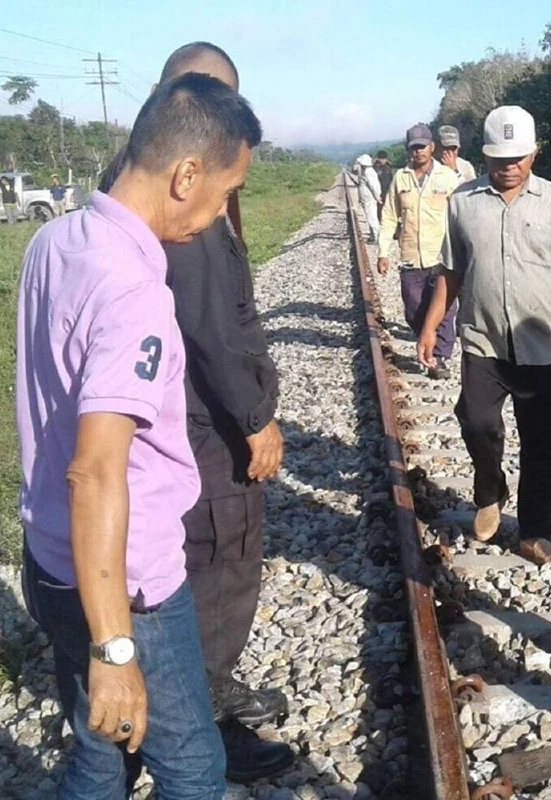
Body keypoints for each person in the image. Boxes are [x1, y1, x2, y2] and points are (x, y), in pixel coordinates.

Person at [16, 71, 261, 799]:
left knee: (99, 757)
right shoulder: (134, 293)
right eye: (222, 195)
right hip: (127, 587)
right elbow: (95, 472)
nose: (220, 215)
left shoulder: (55, 242)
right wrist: (116, 645)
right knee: (193, 770)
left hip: (53, 560)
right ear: (186, 174)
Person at [98, 41, 294, 782]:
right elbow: (213, 322)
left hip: (165, 417)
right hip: (205, 423)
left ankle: (199, 692)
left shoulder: (128, 180)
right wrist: (255, 416)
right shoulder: (188, 197)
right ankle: (205, 722)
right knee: (220, 561)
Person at [418, 106, 551, 566]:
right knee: (476, 420)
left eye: (518, 157)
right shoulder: (463, 203)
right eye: (497, 158)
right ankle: (489, 490)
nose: (508, 167)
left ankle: (534, 530)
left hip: (543, 348)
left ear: (534, 153)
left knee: (543, 443)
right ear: (483, 155)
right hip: (483, 342)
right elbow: (451, 272)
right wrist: (432, 326)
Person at [378, 123, 461, 379]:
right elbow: (389, 216)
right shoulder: (400, 179)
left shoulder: (447, 177)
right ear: (408, 150)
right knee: (414, 310)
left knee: (445, 309)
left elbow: (460, 214)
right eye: (413, 148)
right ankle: (427, 335)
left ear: (431, 147)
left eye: (422, 147)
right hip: (411, 258)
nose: (418, 152)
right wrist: (383, 252)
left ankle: (439, 357)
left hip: (442, 257)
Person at [356, 153, 382, 243]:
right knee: (369, 217)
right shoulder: (365, 171)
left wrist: (377, 196)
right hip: (366, 198)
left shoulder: (368, 172)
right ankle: (373, 236)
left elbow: (374, 186)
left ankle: (377, 237)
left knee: (372, 218)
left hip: (369, 198)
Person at [373, 149, 394, 219]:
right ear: (378, 159)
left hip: (387, 190)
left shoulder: (388, 167)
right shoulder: (374, 168)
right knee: (378, 207)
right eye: (381, 159)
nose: (383, 160)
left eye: (384, 159)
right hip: (378, 190)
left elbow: (391, 178)